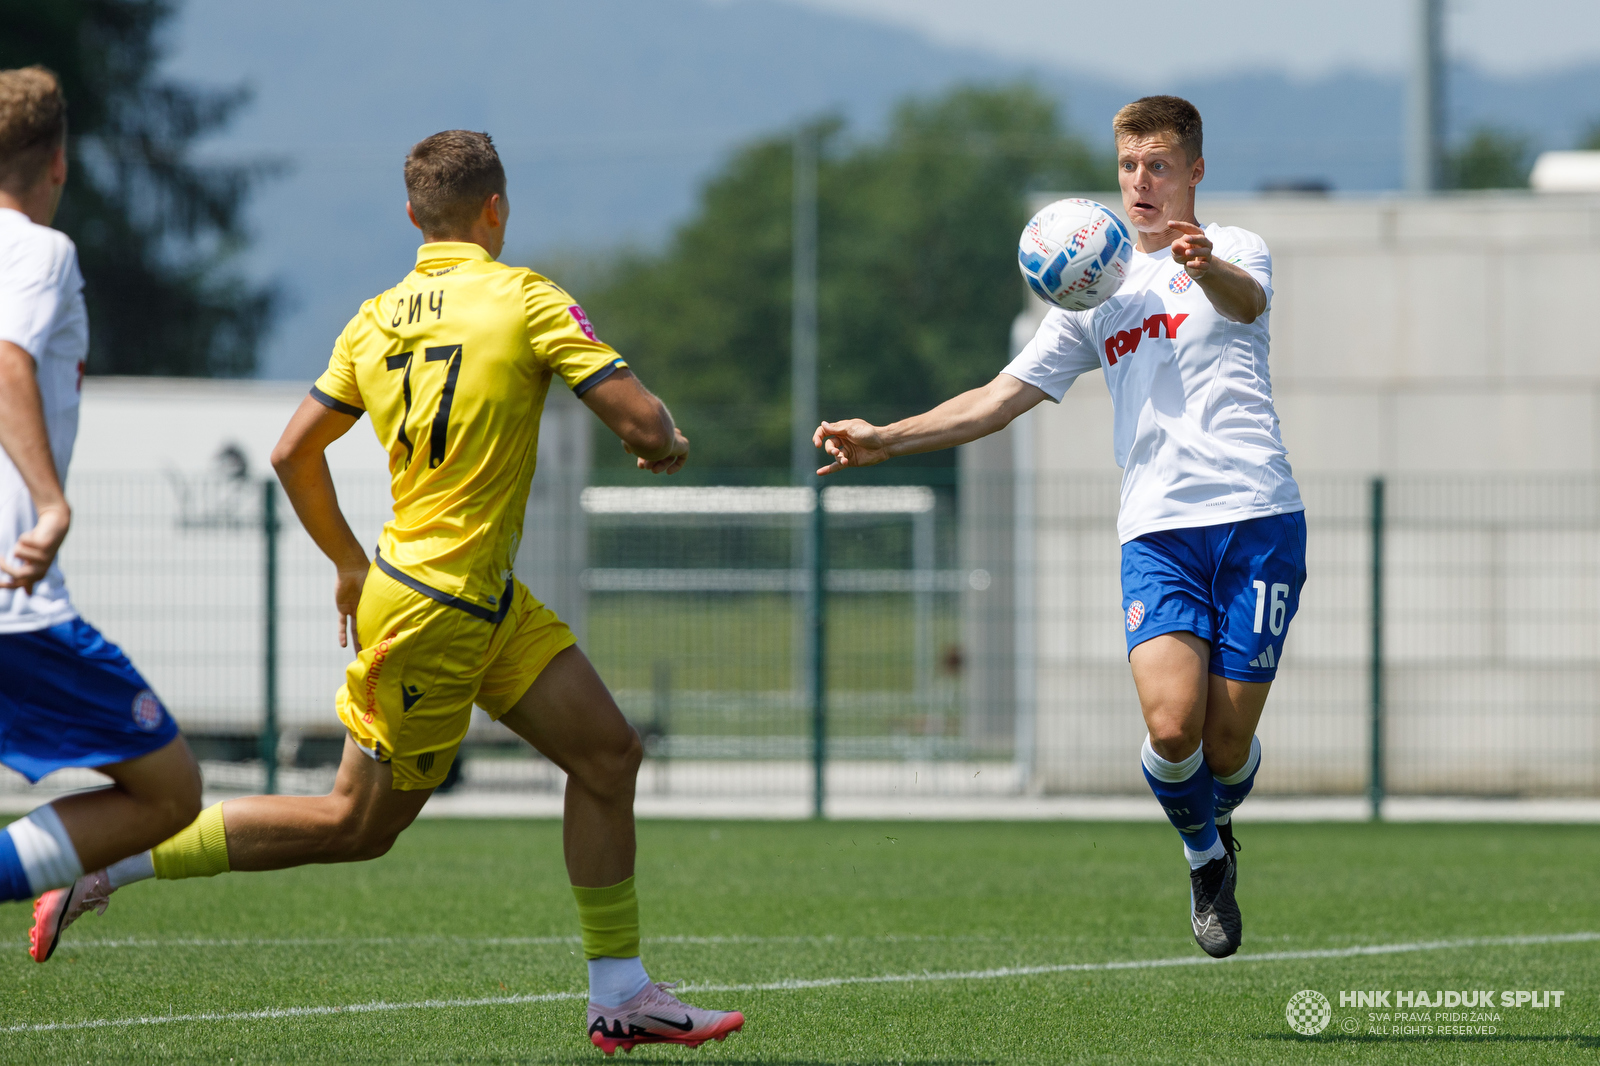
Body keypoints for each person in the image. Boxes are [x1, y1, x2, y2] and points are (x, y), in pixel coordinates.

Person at [35, 129, 743, 1055]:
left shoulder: (375, 319)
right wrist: (662, 444)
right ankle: (108, 861)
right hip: (440, 608)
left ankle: (620, 995)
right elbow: (642, 419)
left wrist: (346, 562)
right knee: (354, 824)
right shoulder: (525, 296)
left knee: (608, 756)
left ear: (413, 216)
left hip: (467, 594)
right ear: (497, 209)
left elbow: (293, 452)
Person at [812, 96, 1304, 959]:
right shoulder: (1093, 295)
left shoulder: (1233, 250)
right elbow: (997, 399)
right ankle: (1203, 859)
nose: (1140, 183)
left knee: (1227, 748)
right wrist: (884, 438)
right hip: (1157, 531)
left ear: (1193, 171)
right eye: (1127, 167)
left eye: (1157, 165)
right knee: (1169, 727)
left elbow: (1245, 301)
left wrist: (1203, 264)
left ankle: (1218, 817)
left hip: (1258, 517)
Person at [0, 65, 203, 961]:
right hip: (16, 597)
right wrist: (50, 503)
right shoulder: (39, 251)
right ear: (59, 161)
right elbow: (7, 361)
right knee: (168, 792)